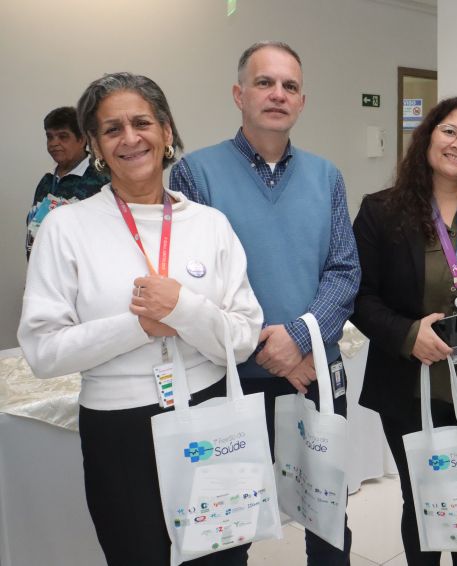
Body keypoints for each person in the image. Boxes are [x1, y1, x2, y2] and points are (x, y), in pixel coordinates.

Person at [17, 72, 262, 566]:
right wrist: (140, 326)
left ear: (166, 132)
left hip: (210, 411)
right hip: (119, 428)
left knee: (221, 556)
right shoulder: (65, 228)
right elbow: (43, 351)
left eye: (142, 123)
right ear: (95, 146)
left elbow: (242, 337)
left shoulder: (210, 225)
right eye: (112, 129)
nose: (130, 138)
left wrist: (183, 310)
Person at [169, 41, 360, 564]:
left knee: (327, 519)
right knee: (226, 534)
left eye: (289, 86)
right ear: (239, 94)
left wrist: (297, 340)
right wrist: (265, 349)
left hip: (315, 374)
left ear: (302, 101)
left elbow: (344, 271)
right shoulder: (195, 174)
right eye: (264, 83)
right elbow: (197, 287)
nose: (278, 94)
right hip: (231, 380)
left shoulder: (326, 177)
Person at [351, 97, 457, 566]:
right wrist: (406, 335)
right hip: (409, 388)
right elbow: (359, 295)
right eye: (449, 131)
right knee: (421, 500)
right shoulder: (381, 211)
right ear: (428, 137)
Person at [26, 106, 108, 258]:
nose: (54, 143)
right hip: (43, 265)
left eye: (63, 136)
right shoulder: (46, 180)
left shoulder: (103, 178)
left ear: (82, 139)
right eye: (50, 137)